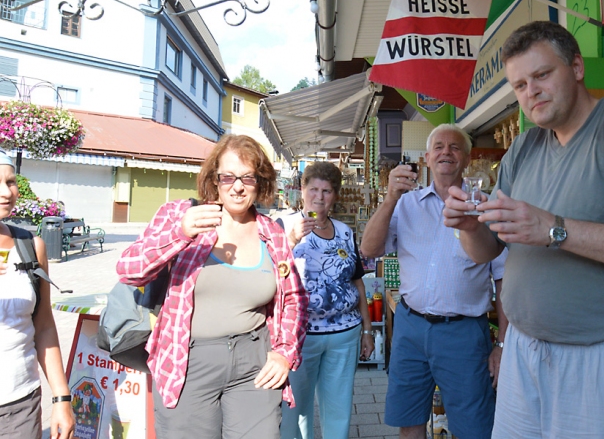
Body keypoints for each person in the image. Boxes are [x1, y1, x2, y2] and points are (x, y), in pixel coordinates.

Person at [443, 20, 604, 439]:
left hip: (603, 356)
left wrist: (554, 230)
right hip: (524, 351)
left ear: (576, 67)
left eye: (542, 75)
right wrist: (469, 226)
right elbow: (487, 250)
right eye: (519, 85)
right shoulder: (524, 146)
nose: (530, 92)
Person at [116, 135, 308, 439]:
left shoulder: (272, 233)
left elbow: (295, 298)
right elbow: (129, 270)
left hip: (254, 362)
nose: (237, 186)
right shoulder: (181, 216)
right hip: (187, 362)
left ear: (262, 182)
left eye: (248, 177)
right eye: (227, 176)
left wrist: (284, 353)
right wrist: (180, 234)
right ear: (214, 180)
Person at [360, 124, 507, 439]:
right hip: (411, 327)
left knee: (473, 427)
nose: (446, 152)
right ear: (426, 158)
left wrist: (502, 344)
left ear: (467, 160)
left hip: (464, 333)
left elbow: (503, 278)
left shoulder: (484, 206)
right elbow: (369, 250)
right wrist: (388, 198)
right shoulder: (404, 204)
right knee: (409, 421)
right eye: (438, 146)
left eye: (455, 147)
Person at [278, 162, 374, 439]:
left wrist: (367, 330)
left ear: (335, 195)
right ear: (302, 190)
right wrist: (291, 240)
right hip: (299, 336)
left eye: (327, 191)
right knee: (295, 410)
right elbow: (270, 271)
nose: (319, 197)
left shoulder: (344, 231)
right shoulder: (282, 225)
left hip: (344, 333)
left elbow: (357, 281)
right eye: (314, 189)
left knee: (338, 407)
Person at [0, 150, 74, 439]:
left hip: (20, 405)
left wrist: (61, 397)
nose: (6, 192)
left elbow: (43, 326)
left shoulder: (31, 246)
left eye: (11, 182)